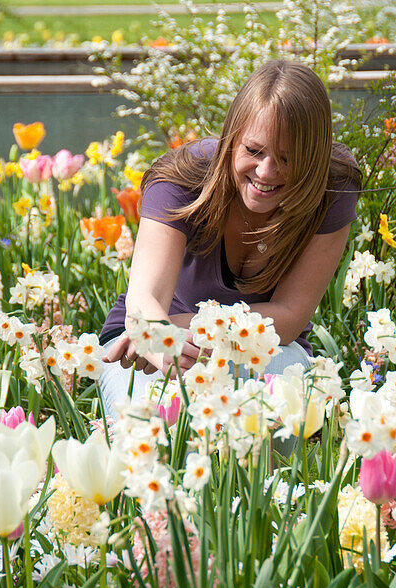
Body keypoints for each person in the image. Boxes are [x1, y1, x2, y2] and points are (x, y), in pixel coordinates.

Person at [98, 59, 362, 418]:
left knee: (280, 412)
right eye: (253, 150)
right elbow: (146, 298)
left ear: (313, 159)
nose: (266, 172)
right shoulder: (181, 180)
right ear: (231, 137)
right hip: (150, 347)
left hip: (266, 346)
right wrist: (159, 336)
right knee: (154, 425)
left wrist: (180, 324)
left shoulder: (333, 188)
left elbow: (288, 316)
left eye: (287, 159)